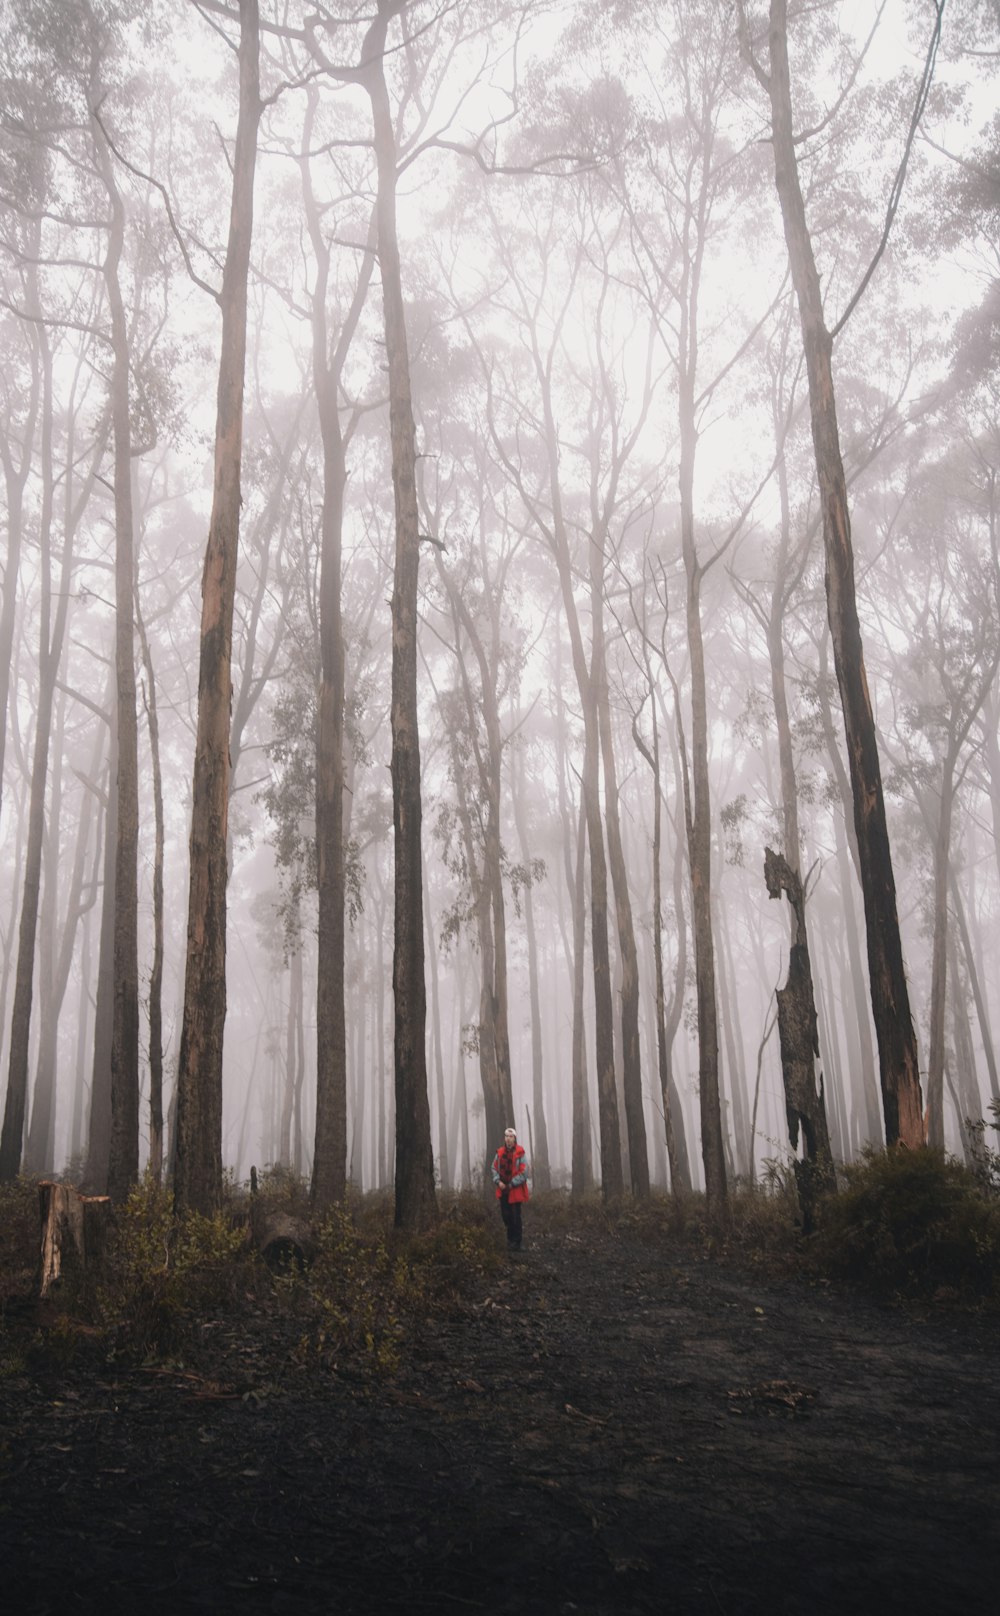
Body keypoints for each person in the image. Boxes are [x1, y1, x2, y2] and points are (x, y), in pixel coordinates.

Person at [492, 1126, 529, 1251]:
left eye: (511, 1137)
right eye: (506, 1136)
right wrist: (498, 1181)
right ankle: (510, 1239)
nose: (508, 1139)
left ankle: (517, 1241)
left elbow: (524, 1172)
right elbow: (494, 1168)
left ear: (515, 1138)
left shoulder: (520, 1152)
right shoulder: (500, 1153)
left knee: (515, 1215)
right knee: (505, 1215)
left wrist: (512, 1183)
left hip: (515, 1189)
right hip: (503, 1189)